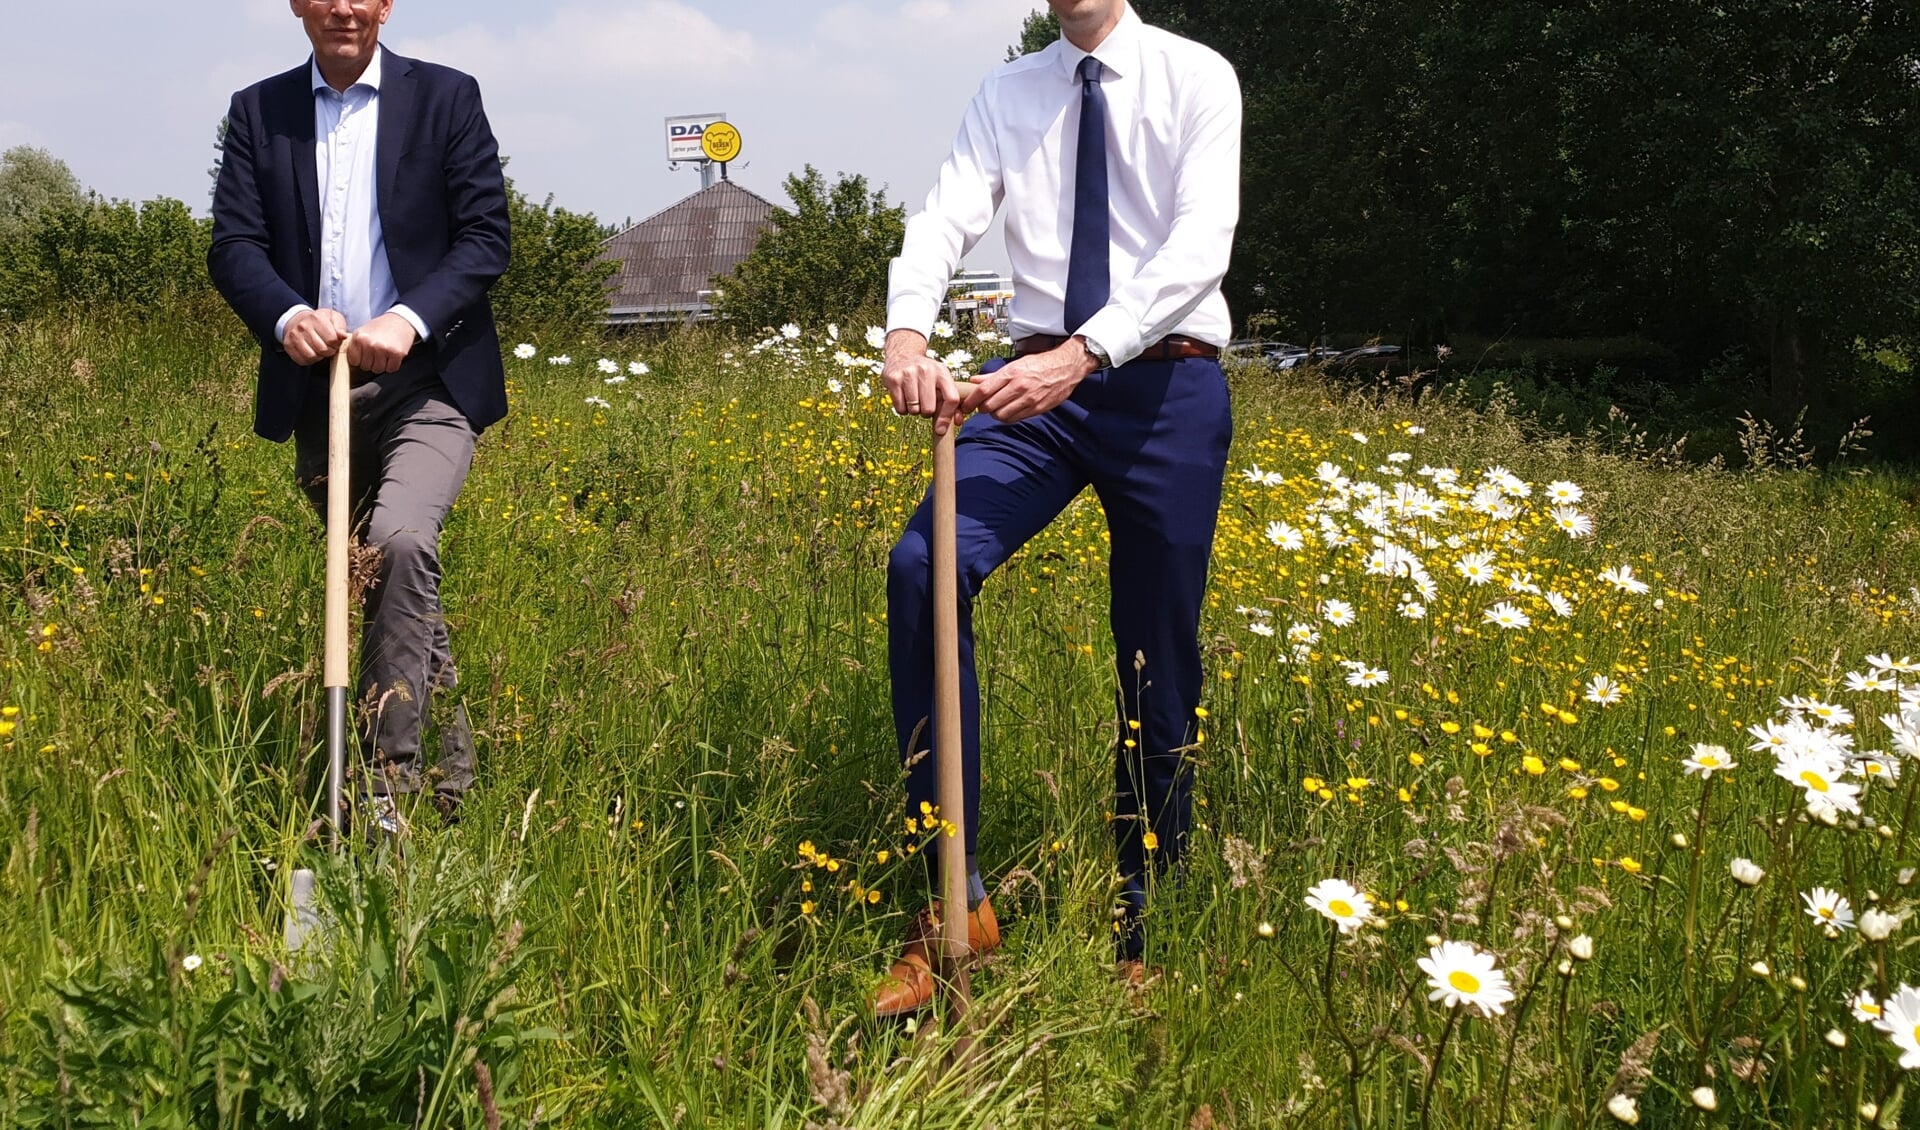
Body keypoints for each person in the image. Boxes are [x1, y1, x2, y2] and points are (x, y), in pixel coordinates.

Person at [874, 0, 1241, 1013]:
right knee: (924, 566)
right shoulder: (1008, 91)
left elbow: (1198, 246)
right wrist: (908, 333)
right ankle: (959, 901)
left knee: (1155, 648)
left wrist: (1086, 352)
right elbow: (946, 211)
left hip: (1163, 385)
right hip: (1032, 386)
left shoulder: (1197, 78)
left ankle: (1146, 924)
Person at [209, 0, 511, 833]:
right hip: (323, 394)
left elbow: (485, 237)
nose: (343, 5)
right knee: (389, 586)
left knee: (398, 546)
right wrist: (285, 316)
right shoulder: (258, 110)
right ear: (299, 5)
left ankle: (386, 792)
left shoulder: (446, 97)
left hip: (431, 382)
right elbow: (233, 245)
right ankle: (452, 795)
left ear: (385, 6)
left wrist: (405, 318)